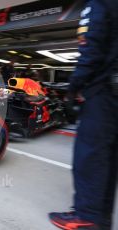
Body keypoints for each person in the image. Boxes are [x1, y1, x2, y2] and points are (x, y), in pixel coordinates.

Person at [49, 0, 118, 229]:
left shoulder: (99, 3)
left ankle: (87, 215)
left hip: (103, 92)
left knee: (89, 156)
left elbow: (91, 48)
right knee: (108, 159)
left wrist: (73, 87)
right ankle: (100, 217)